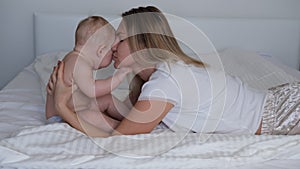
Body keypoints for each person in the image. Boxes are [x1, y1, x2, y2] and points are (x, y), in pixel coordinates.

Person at [47, 6, 300, 137]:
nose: (112, 45)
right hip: (281, 101)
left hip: (284, 114)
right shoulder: (157, 79)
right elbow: (122, 115)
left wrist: (63, 108)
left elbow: (119, 136)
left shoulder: (166, 82)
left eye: (120, 39)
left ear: (142, 43)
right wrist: (76, 93)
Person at [45, 16, 131, 128]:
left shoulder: (73, 58)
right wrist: (118, 77)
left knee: (107, 98)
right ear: (101, 51)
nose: (113, 55)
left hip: (77, 107)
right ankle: (119, 126)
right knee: (91, 117)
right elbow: (92, 90)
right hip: (62, 116)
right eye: (111, 51)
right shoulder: (79, 64)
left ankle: (130, 118)